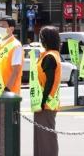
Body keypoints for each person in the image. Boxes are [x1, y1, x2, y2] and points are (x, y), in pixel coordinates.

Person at [0, 17, 24, 156]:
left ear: (11, 28)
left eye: (3, 26)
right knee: (0, 126)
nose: (0, 28)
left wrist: (7, 90)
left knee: (8, 126)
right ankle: (2, 152)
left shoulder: (15, 45)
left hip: (9, 94)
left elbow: (16, 69)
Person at [34, 26, 61, 156]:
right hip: (49, 102)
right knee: (43, 135)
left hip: (46, 103)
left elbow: (49, 82)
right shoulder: (52, 54)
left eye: (41, 36)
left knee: (46, 136)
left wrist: (43, 101)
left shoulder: (50, 57)